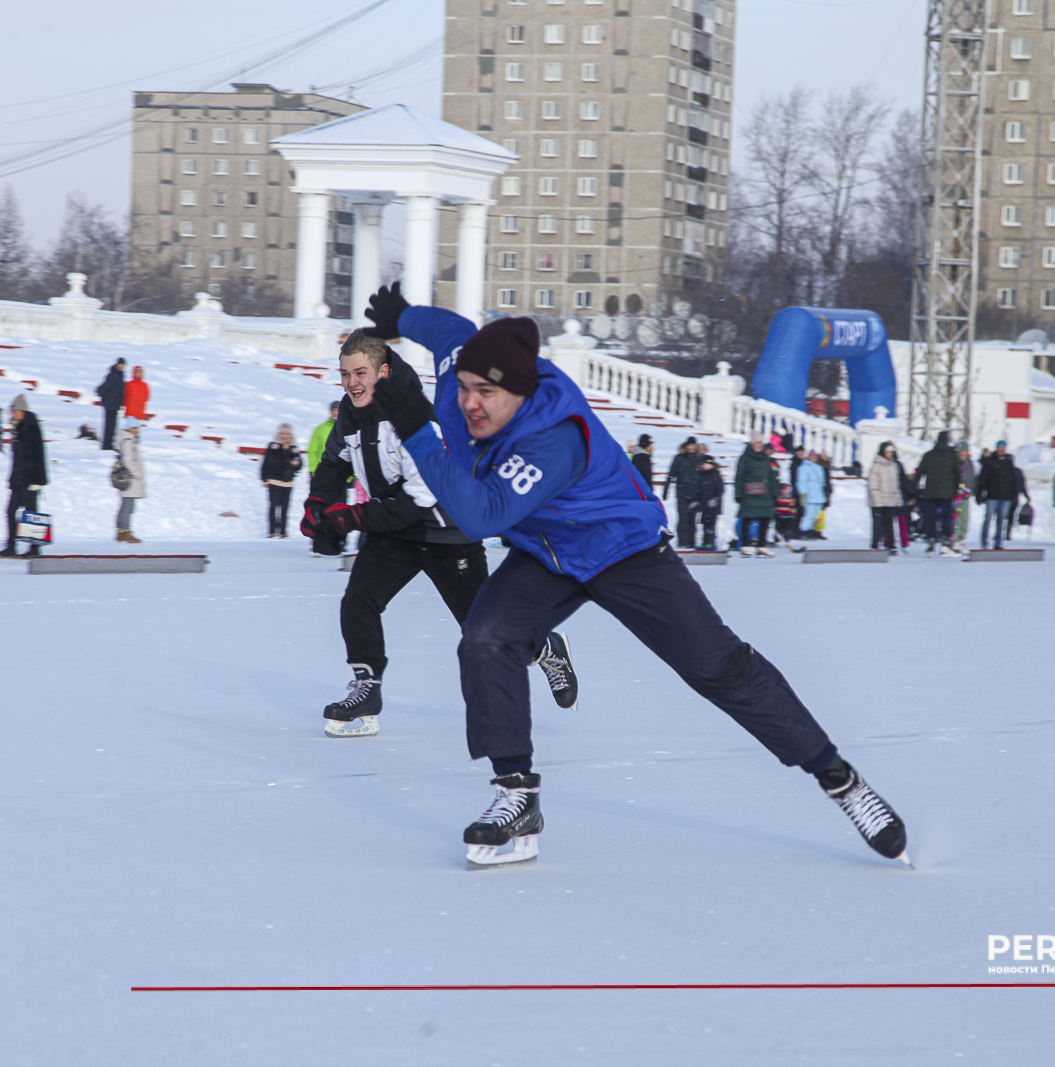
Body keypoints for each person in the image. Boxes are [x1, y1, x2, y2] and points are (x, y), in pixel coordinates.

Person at [358, 283, 908, 870]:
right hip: (545, 553)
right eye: (465, 388)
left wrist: (417, 430)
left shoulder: (555, 437)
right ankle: (516, 793)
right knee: (486, 638)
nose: (470, 404)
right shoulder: (460, 379)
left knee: (719, 668)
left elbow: (478, 515)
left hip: (621, 548)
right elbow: (450, 334)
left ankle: (839, 778)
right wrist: (402, 318)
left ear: (521, 392)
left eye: (486, 393)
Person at [299, 329, 577, 739]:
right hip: (393, 530)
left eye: (361, 373)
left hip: (446, 532)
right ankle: (366, 687)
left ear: (384, 372)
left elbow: (420, 499)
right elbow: (333, 463)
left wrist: (351, 518)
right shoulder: (351, 413)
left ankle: (547, 648)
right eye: (344, 374)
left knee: (483, 630)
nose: (352, 382)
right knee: (358, 601)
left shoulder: (415, 419)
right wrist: (318, 506)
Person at [0, 395, 47, 559]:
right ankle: (11, 546)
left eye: (15, 412)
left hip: (30, 479)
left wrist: (38, 481)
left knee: (32, 515)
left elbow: (39, 455)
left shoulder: (32, 428)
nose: (13, 415)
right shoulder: (18, 428)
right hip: (18, 479)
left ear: (22, 411)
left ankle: (34, 548)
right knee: (10, 512)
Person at [306, 401, 343, 556]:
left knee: (340, 510)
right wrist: (315, 471)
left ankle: (339, 542)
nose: (336, 414)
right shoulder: (320, 430)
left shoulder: (348, 428)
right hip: (323, 475)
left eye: (338, 411)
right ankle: (317, 544)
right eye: (334, 411)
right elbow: (313, 451)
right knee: (320, 510)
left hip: (342, 477)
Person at [914, 433, 961, 556]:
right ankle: (945, 538)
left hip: (930, 491)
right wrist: (955, 489)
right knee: (947, 516)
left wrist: (913, 488)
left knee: (931, 517)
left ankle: (931, 539)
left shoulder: (929, 455)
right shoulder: (952, 456)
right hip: (947, 492)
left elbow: (920, 472)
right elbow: (958, 474)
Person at [735, 434, 780, 556]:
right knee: (747, 518)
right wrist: (738, 493)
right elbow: (739, 477)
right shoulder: (744, 458)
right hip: (749, 492)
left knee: (765, 519)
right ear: (751, 444)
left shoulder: (766, 458)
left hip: (765, 493)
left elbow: (772, 477)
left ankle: (761, 545)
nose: (759, 445)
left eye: (761, 443)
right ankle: (745, 544)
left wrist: (775, 492)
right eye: (757, 443)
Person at [260, 423, 303, 538]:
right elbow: (265, 463)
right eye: (283, 433)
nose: (285, 436)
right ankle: (272, 531)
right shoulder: (273, 447)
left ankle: (283, 531)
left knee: (285, 507)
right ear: (279, 434)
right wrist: (264, 478)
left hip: (288, 482)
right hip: (274, 480)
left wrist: (296, 464)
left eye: (287, 434)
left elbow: (299, 464)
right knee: (274, 506)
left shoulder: (294, 448)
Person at [976, 441, 1020, 550]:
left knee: (1001, 521)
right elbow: (983, 479)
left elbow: (1014, 479)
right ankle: (984, 543)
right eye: (999, 447)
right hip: (992, 496)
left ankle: (998, 543)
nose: (1001, 449)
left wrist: (1014, 495)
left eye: (1003, 447)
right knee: (988, 520)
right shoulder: (990, 461)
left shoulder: (1009, 462)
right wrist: (980, 493)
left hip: (1006, 497)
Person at [664, 437, 703, 548]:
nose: (691, 448)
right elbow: (671, 474)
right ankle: (683, 542)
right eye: (690, 445)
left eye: (693, 446)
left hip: (695, 494)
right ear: (686, 446)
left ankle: (691, 542)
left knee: (692, 519)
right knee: (683, 518)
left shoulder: (699, 459)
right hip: (682, 493)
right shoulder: (679, 458)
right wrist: (666, 490)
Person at [867, 442, 904, 552]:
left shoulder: (893, 466)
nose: (890, 454)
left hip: (890, 500)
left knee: (890, 524)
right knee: (877, 524)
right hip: (877, 502)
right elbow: (873, 486)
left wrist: (897, 499)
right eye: (887, 452)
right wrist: (877, 500)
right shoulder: (876, 466)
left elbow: (896, 485)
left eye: (891, 452)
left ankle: (891, 545)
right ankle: (875, 544)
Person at [115, 416, 147, 544]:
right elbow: (128, 460)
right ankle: (126, 532)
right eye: (134, 428)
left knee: (126, 506)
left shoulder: (129, 441)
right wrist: (137, 473)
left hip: (129, 479)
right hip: (130, 479)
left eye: (137, 428)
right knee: (128, 507)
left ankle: (121, 532)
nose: (136, 431)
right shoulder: (128, 441)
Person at [793, 448, 828, 542]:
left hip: (819, 495)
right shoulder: (803, 467)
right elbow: (801, 481)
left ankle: (812, 530)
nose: (813, 457)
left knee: (816, 515)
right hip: (810, 495)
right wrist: (803, 493)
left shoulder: (819, 468)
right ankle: (805, 531)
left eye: (814, 456)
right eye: (811, 456)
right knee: (809, 514)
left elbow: (823, 482)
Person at [695, 448, 724, 550]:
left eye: (709, 464)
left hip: (713, 506)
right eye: (705, 464)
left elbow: (720, 489)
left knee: (711, 525)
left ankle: (711, 542)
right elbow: (699, 490)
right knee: (705, 524)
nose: (707, 466)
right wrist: (696, 501)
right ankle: (705, 542)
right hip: (704, 506)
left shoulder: (715, 476)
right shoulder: (701, 476)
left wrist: (715, 499)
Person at [96, 358, 126, 451]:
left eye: (123, 365)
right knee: (110, 425)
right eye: (120, 364)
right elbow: (106, 386)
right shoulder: (114, 375)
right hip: (110, 404)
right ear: (117, 365)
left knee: (112, 425)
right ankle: (107, 445)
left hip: (114, 404)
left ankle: (109, 444)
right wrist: (103, 397)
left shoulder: (119, 375)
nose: (121, 366)